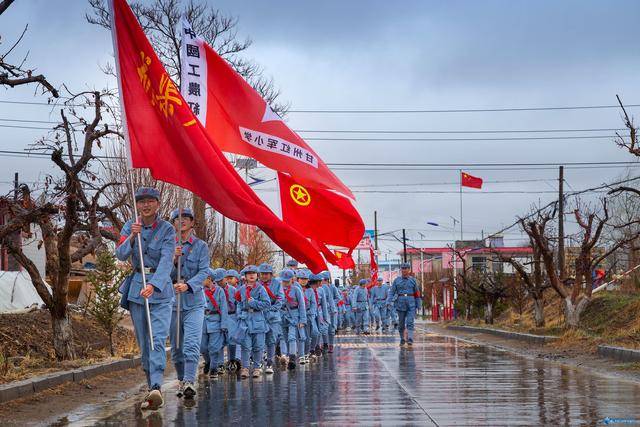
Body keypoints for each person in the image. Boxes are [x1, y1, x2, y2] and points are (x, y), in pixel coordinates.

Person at [115, 187, 175, 410]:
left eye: (151, 201)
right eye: (142, 202)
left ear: (158, 204)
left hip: (159, 290)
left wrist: (154, 285)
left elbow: (167, 260)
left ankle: (157, 385)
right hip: (137, 290)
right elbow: (120, 254)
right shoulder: (130, 225)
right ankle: (152, 387)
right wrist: (132, 235)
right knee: (144, 345)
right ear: (137, 204)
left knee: (156, 339)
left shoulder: (167, 229)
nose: (146, 205)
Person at [168, 208, 209, 399]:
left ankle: (190, 382)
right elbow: (159, 271)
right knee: (176, 348)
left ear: (192, 223)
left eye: (186, 218)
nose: (181, 221)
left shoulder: (201, 246)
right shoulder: (168, 245)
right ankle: (182, 380)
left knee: (191, 344)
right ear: (173, 223)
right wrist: (173, 259)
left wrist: (189, 285)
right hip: (172, 303)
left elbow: (203, 272)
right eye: (177, 218)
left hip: (194, 302)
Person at [235, 265, 271, 378]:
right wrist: (239, 314)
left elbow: (267, 304)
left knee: (258, 345)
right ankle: (245, 368)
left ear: (257, 276)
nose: (251, 275)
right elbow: (239, 303)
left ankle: (256, 367)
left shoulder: (261, 289)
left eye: (254, 273)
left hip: (257, 318)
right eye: (249, 273)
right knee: (245, 345)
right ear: (245, 276)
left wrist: (254, 303)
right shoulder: (241, 289)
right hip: (245, 319)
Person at [202, 268, 229, 379]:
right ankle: (208, 361)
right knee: (202, 346)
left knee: (214, 347)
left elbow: (223, 308)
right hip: (202, 320)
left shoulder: (219, 291)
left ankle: (213, 368)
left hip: (215, 320)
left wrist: (224, 325)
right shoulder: (199, 290)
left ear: (209, 279)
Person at [258, 263, 284, 374]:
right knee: (259, 340)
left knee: (271, 340)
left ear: (271, 274)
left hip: (273, 315)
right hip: (260, 315)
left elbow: (280, 299)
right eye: (262, 274)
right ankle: (258, 362)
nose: (264, 276)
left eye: (266, 274)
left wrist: (271, 308)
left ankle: (270, 362)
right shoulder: (256, 284)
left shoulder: (277, 284)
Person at [387, 263, 421, 346]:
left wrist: (418, 304)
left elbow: (417, 293)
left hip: (411, 303)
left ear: (409, 270)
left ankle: (410, 338)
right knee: (401, 323)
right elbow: (391, 292)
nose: (404, 270)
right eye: (403, 268)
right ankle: (402, 338)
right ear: (401, 270)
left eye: (406, 268)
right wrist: (388, 301)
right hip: (400, 303)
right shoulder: (397, 280)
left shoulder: (413, 280)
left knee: (410, 322)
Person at [279, 269, 306, 370]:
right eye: (284, 281)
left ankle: (292, 357)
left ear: (292, 280)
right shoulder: (279, 289)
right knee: (284, 337)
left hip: (294, 315)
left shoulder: (296, 290)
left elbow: (302, 305)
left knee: (292, 337)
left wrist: (302, 320)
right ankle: (284, 354)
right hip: (282, 315)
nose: (285, 283)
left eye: (287, 281)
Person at [222, 269, 241, 372]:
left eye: (230, 278)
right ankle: (226, 361)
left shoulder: (235, 290)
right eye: (227, 278)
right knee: (223, 340)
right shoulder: (220, 289)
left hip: (233, 315)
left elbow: (238, 304)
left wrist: (239, 316)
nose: (228, 280)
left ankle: (234, 359)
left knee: (233, 339)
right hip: (223, 316)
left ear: (236, 279)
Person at [298, 269, 318, 364]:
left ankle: (306, 353)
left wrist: (311, 314)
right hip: (296, 316)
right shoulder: (294, 288)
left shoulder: (310, 290)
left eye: (305, 279)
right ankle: (297, 354)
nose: (303, 281)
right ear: (298, 279)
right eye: (301, 279)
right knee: (296, 337)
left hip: (308, 316)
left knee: (307, 336)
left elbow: (314, 304)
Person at [321, 271, 341, 352]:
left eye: (323, 280)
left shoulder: (333, 288)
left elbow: (338, 298)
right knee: (323, 329)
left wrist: (331, 303)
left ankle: (331, 345)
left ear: (327, 280)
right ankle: (324, 344)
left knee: (331, 329)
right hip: (323, 311)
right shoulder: (321, 287)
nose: (322, 282)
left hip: (332, 311)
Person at [311, 273, 330, 355]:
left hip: (318, 312)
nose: (321, 283)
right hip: (309, 312)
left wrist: (326, 318)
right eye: (320, 281)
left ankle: (317, 346)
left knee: (319, 330)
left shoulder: (321, 290)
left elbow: (324, 305)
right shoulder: (308, 289)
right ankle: (309, 348)